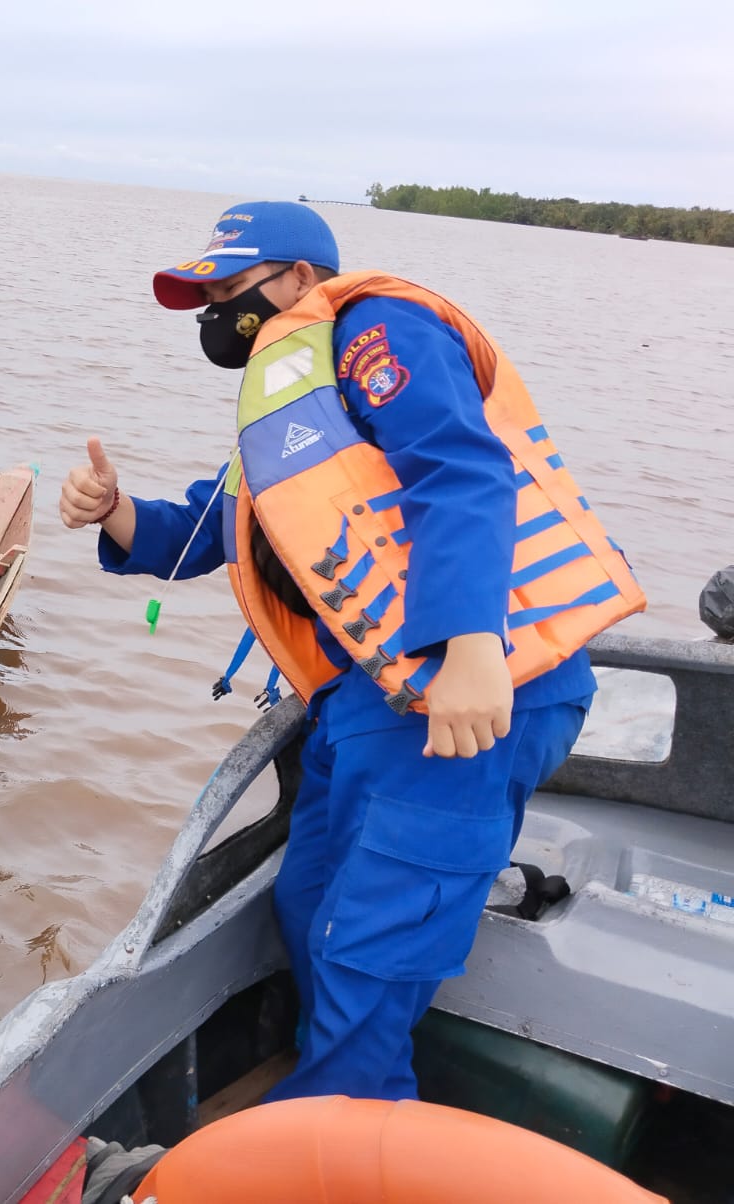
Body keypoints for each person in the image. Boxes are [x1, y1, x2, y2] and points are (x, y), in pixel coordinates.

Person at [60, 201, 645, 1102]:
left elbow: (461, 470)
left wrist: (470, 649)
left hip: (467, 688)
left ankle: (344, 1114)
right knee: (307, 902)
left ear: (300, 278)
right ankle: (329, 1087)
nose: (215, 313)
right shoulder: (288, 398)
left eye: (229, 289)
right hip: (366, 696)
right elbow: (206, 530)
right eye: (205, 298)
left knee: (372, 947)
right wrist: (112, 511)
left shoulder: (375, 331)